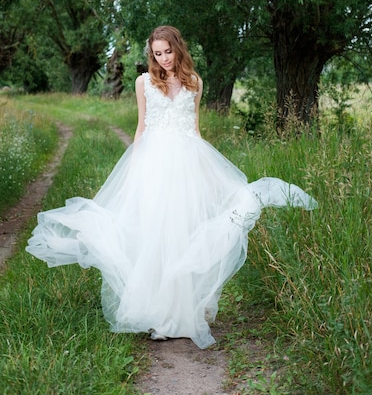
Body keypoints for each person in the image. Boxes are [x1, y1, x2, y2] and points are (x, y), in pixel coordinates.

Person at [26, 25, 317, 349]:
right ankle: (159, 317)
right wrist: (135, 167)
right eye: (157, 53)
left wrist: (207, 171)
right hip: (152, 165)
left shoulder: (195, 82)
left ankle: (183, 314)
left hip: (186, 165)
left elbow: (194, 130)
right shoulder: (143, 82)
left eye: (168, 51)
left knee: (182, 233)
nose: (163, 58)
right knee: (156, 235)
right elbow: (140, 127)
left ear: (178, 48)